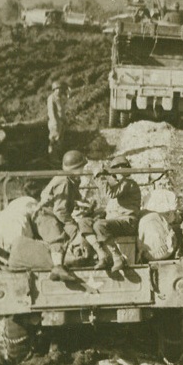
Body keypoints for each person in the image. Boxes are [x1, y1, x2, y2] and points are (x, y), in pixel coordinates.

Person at [34, 149, 89, 280]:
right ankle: (58, 268)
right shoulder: (64, 181)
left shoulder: (70, 180)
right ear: (75, 169)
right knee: (57, 236)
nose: (84, 170)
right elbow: (60, 210)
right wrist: (72, 224)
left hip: (53, 214)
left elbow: (69, 200)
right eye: (82, 167)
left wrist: (83, 205)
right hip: (45, 215)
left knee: (70, 232)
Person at [85, 156, 141, 273]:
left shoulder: (128, 184)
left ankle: (117, 257)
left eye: (121, 168)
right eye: (116, 168)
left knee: (100, 225)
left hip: (128, 222)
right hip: (118, 221)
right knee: (85, 223)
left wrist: (100, 177)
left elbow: (110, 194)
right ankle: (102, 255)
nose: (119, 170)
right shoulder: (121, 185)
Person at [46, 80, 67, 157]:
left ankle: (57, 157)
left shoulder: (60, 99)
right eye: (57, 89)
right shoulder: (51, 98)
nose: (58, 91)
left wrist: (65, 120)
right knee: (54, 140)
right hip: (54, 122)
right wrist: (54, 121)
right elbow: (51, 111)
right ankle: (52, 157)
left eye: (60, 89)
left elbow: (62, 111)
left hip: (61, 122)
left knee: (60, 141)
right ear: (54, 90)